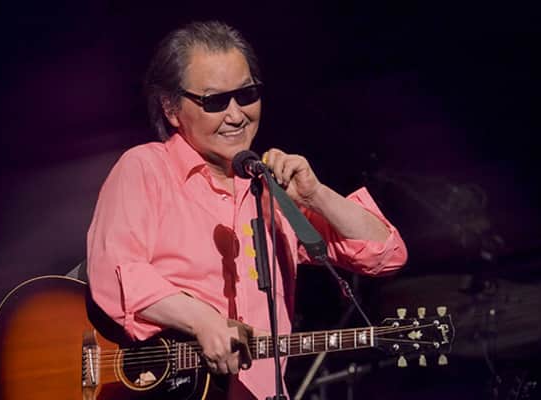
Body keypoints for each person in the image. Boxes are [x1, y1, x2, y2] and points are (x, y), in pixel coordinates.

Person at [87, 20, 408, 399]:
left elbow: (386, 254)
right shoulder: (145, 168)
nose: (237, 115)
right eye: (215, 101)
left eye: (247, 94)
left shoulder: (272, 189)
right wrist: (202, 320)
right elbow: (115, 272)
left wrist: (317, 195)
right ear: (171, 109)